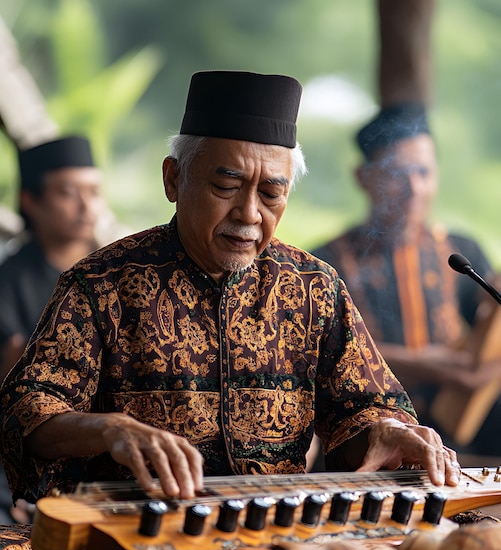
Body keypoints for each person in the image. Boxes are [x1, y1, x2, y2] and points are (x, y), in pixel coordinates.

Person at [0, 71, 460, 521]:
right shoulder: (101, 283)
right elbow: (25, 406)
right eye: (226, 186)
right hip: (135, 527)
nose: (249, 213)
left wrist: (388, 431)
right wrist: (110, 429)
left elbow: (364, 407)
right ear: (173, 180)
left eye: (271, 193)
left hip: (274, 531)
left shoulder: (314, 286)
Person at [311, 102, 501, 459]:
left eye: (424, 173)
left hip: (458, 438)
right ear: (364, 178)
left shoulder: (462, 250)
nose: (414, 189)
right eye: (398, 175)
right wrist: (426, 365)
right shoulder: (323, 264)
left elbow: (489, 331)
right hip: (368, 439)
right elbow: (316, 357)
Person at [0, 134, 107, 523]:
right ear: (31, 201)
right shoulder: (7, 282)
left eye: (94, 192)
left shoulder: (116, 273)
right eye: (68, 193)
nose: (86, 206)